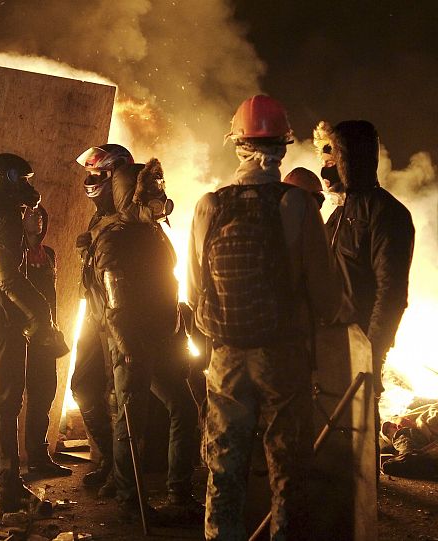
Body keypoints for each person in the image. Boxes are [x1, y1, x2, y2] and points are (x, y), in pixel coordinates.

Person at [188, 95, 342, 540]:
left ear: (235, 144)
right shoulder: (297, 206)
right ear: (282, 147)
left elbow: (197, 289)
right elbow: (326, 298)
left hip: (225, 357)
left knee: (224, 465)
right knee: (288, 468)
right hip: (283, 355)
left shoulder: (208, 206)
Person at [83, 146, 200, 523]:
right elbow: (115, 300)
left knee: (183, 408)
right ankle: (131, 501)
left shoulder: (151, 233)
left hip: (163, 336)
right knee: (130, 422)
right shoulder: (113, 238)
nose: (158, 200)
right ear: (129, 194)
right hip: (132, 344)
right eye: (149, 193)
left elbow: (168, 280)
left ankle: (179, 494)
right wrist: (129, 346)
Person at [315, 119, 414, 447]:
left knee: (358, 445)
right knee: (329, 448)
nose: (325, 171)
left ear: (349, 161)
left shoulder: (387, 214)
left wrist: (371, 352)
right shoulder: (338, 215)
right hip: (328, 345)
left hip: (359, 347)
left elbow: (391, 292)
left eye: (332, 162)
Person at [0, 153, 54, 512]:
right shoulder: (5, 221)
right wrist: (40, 312)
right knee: (5, 409)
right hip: (3, 329)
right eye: (24, 181)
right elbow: (8, 279)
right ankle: (10, 491)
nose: (30, 189)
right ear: (9, 182)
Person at [70, 144, 128, 495]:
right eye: (89, 175)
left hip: (118, 318)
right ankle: (109, 459)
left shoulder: (130, 215)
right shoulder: (101, 217)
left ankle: (122, 475)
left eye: (97, 175)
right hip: (95, 315)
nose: (90, 182)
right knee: (82, 385)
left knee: (122, 398)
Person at [22, 204, 72, 477]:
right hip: (21, 338)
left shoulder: (50, 255)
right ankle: (0, 464)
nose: (37, 218)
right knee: (10, 401)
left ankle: (38, 458)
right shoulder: (13, 254)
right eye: (31, 214)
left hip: (45, 338)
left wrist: (53, 327)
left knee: (43, 397)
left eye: (41, 214)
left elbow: (50, 297)